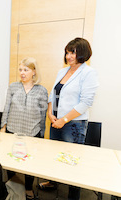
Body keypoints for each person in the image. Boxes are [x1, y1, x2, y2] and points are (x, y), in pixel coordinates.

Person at [39, 38, 99, 200]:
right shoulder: (62, 71)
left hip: (73, 124)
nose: (69, 56)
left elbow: (86, 102)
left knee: (72, 161)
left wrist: (63, 120)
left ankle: (73, 195)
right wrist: (50, 113)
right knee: (55, 155)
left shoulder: (88, 73)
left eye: (73, 52)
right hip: (55, 120)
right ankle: (53, 182)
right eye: (67, 52)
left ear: (83, 53)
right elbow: (53, 94)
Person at [0, 57, 48, 200]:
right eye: (20, 69)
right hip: (13, 129)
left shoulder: (41, 90)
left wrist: (41, 134)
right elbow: (6, 107)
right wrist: (3, 127)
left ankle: (28, 188)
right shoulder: (13, 86)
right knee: (11, 160)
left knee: (29, 163)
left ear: (33, 72)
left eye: (26, 70)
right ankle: (13, 185)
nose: (22, 73)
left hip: (32, 132)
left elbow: (43, 114)